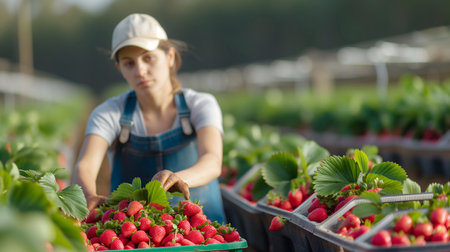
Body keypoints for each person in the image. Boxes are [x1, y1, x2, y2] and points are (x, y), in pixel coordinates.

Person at [73, 13, 226, 223]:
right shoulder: (110, 113)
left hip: (201, 231)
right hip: (135, 234)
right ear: (120, 69)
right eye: (129, 63)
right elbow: (86, 165)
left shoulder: (200, 104)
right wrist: (88, 194)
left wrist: (180, 179)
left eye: (148, 58)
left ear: (170, 57)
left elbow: (212, 160)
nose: (140, 71)